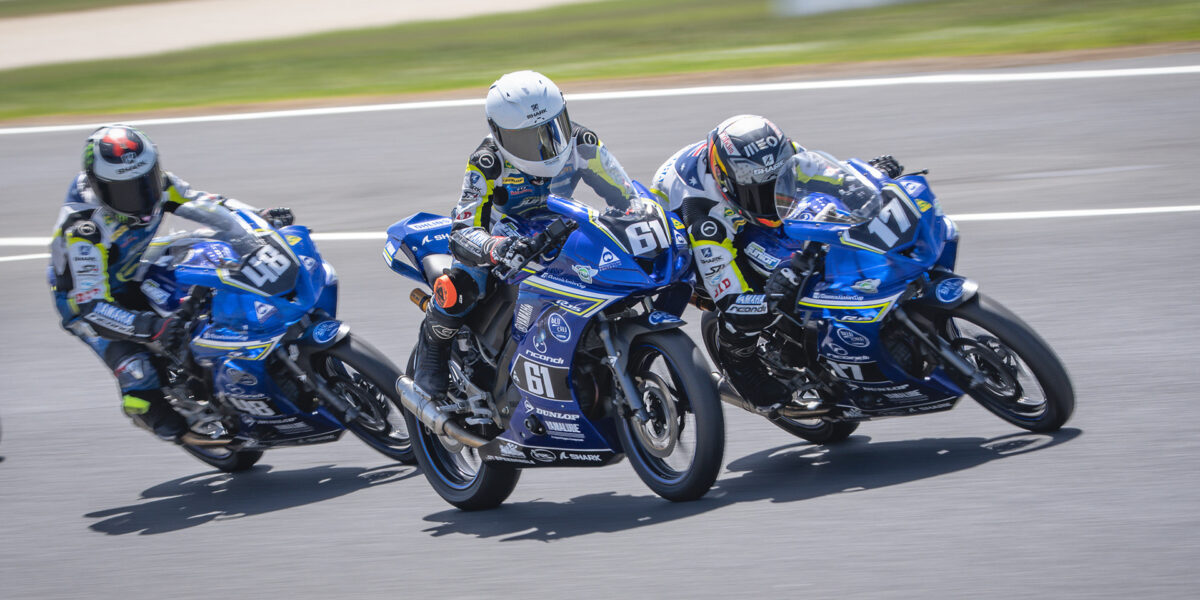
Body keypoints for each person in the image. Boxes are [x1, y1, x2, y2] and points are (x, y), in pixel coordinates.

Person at [48, 124, 294, 440]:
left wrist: (258, 218)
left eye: (145, 182)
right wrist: (154, 328)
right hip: (86, 301)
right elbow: (92, 306)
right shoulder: (84, 231)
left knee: (213, 267)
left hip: (136, 266)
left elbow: (208, 206)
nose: (140, 197)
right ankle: (156, 414)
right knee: (140, 377)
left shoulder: (161, 183)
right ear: (98, 187)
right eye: (125, 191)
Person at [650, 114, 902, 410]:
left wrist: (869, 180)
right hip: (687, 230)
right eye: (757, 192)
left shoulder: (786, 155)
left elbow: (832, 181)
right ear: (728, 183)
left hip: (737, 194)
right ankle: (739, 362)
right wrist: (770, 298)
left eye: (777, 183)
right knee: (748, 301)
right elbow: (731, 299)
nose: (770, 198)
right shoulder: (702, 212)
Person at [413, 70, 635, 399]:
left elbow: (627, 198)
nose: (544, 147)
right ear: (499, 134)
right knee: (459, 287)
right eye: (527, 140)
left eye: (552, 131)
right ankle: (432, 354)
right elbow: (462, 230)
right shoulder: (487, 161)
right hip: (503, 236)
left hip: (565, 224)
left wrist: (636, 219)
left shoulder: (583, 143)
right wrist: (495, 247)